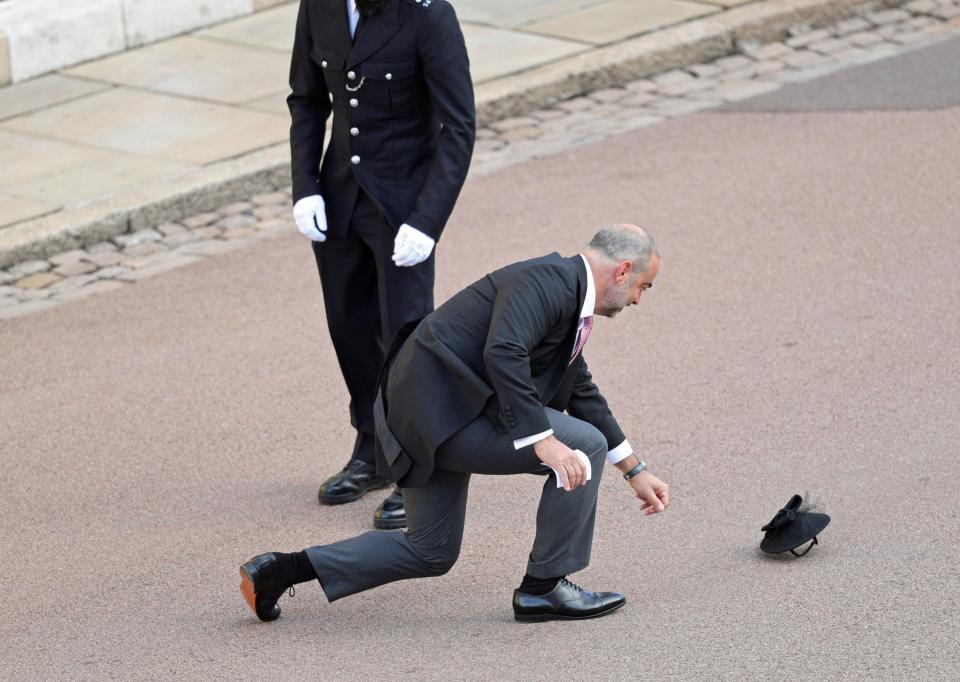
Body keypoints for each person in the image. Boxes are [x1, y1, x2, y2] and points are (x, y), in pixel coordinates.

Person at [241, 224, 671, 622]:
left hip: (432, 416)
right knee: (583, 446)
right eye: (643, 287)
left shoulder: (566, 293)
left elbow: (581, 390)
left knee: (429, 551)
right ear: (623, 270)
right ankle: (545, 587)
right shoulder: (546, 282)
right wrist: (545, 441)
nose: (639, 299)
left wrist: (635, 470)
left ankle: (279, 570)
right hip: (440, 416)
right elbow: (505, 353)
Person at [287, 0, 475, 528]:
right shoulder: (318, 5)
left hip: (404, 208)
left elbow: (459, 127)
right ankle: (371, 450)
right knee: (349, 327)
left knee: (409, 342)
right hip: (339, 200)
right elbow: (306, 101)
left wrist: (428, 220)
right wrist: (306, 187)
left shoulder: (427, 14)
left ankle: (416, 468)